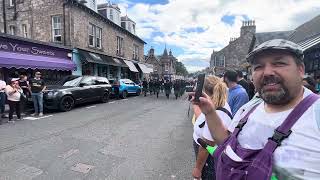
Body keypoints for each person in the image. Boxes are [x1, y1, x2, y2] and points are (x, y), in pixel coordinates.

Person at [191, 39, 320, 179]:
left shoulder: (316, 113)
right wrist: (210, 112)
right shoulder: (250, 107)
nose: (267, 72)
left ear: (301, 70)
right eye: (258, 66)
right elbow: (226, 143)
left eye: (279, 63)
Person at [192, 76, 233, 180]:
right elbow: (202, 121)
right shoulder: (213, 104)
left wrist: (197, 169)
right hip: (206, 155)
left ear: (204, 90)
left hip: (209, 158)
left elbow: (207, 144)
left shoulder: (219, 111)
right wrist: (196, 106)